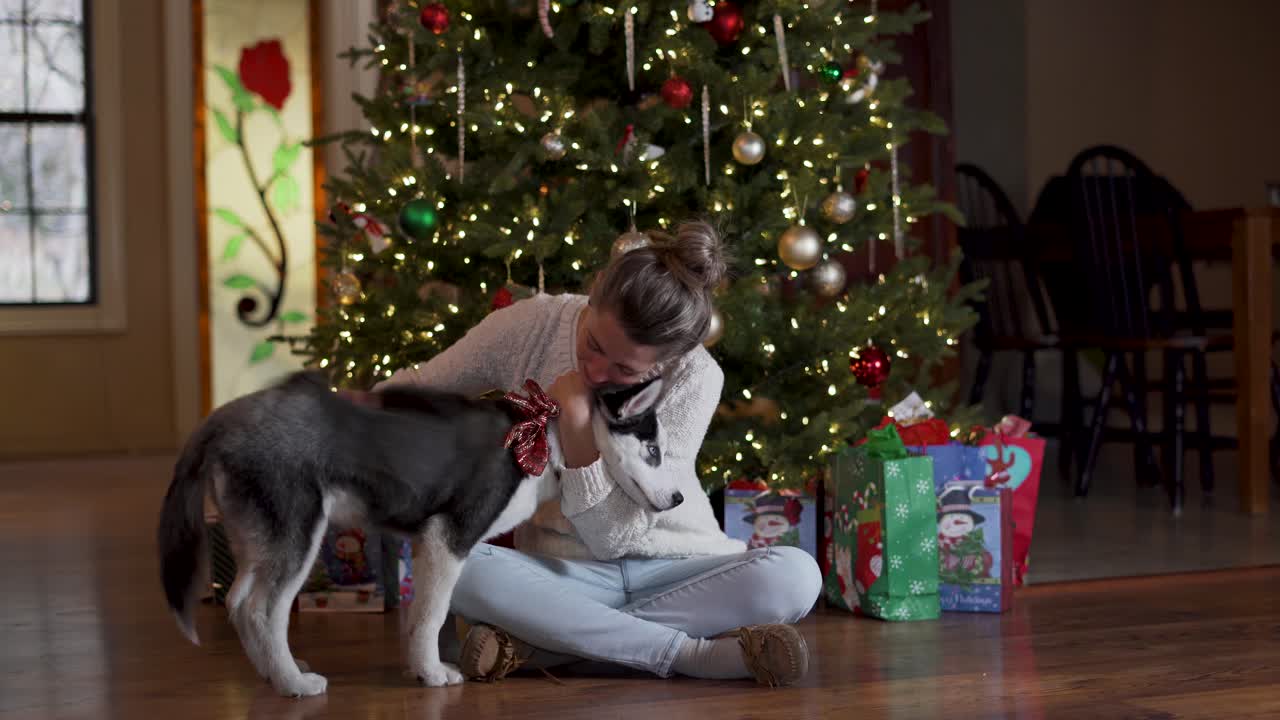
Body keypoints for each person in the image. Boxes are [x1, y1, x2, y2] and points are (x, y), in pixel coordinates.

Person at [379, 220, 822, 686]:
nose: (593, 370)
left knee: (795, 576)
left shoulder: (696, 377)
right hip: (559, 573)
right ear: (593, 294)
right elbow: (422, 386)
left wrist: (574, 425)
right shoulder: (530, 324)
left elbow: (615, 538)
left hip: (680, 569)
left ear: (669, 360)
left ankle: (543, 646)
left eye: (623, 369)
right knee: (461, 568)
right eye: (592, 344)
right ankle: (690, 652)